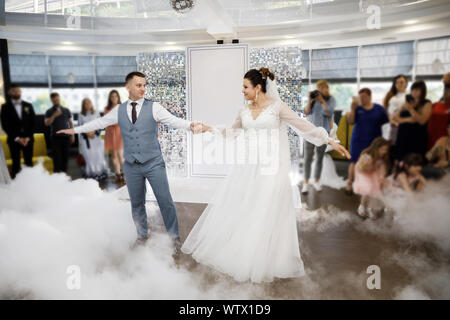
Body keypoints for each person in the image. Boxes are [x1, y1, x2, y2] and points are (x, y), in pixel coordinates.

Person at [181, 68, 350, 283]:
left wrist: (330, 141)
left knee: (268, 209)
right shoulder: (243, 111)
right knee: (250, 208)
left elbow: (303, 126)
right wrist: (207, 128)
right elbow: (231, 133)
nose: (242, 91)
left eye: (245, 87)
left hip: (274, 169)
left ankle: (267, 257)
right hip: (249, 168)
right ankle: (248, 253)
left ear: (258, 87)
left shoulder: (277, 107)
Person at [57, 71, 206, 251]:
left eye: (144, 85)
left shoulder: (154, 107)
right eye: (138, 85)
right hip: (131, 166)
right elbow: (99, 123)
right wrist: (75, 131)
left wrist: (190, 125)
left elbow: (173, 121)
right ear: (128, 87)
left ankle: (174, 236)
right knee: (136, 203)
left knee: (165, 200)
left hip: (153, 163)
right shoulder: (119, 110)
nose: (143, 88)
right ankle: (142, 234)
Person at [345, 88, 389, 195]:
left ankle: (374, 184)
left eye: (364, 97)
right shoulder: (357, 108)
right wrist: (352, 109)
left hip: (374, 141)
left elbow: (387, 124)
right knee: (355, 161)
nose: (362, 99)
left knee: (375, 161)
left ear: (370, 96)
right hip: (358, 140)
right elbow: (350, 122)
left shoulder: (379, 109)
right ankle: (350, 183)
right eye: (360, 97)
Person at [302, 79, 336, 193]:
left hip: (323, 134)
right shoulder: (313, 100)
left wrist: (322, 101)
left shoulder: (331, 100)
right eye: (319, 88)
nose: (321, 90)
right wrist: (309, 100)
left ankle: (316, 181)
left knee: (319, 158)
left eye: (324, 87)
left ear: (327, 88)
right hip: (310, 132)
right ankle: (306, 183)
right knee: (307, 158)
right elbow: (306, 112)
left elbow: (329, 112)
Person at [0, 84, 36, 178]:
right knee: (16, 163)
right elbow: (5, 125)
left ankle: (31, 184)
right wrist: (17, 138)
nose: (17, 92)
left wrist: (28, 137)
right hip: (14, 140)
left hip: (28, 139)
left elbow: (33, 122)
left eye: (18, 90)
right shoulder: (5, 107)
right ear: (9, 92)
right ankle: (17, 187)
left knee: (29, 162)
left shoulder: (28, 105)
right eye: (14, 90)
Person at [394, 80, 432, 162]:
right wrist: (408, 119)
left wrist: (410, 109)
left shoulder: (426, 103)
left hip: (417, 138)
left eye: (417, 90)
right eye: (412, 89)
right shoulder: (407, 102)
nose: (414, 92)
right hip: (403, 137)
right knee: (401, 162)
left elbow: (422, 121)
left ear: (422, 91)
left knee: (415, 163)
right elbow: (396, 118)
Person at [353, 137, 390, 219]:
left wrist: (382, 177)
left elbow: (383, 167)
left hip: (374, 172)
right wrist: (365, 165)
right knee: (369, 186)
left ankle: (371, 208)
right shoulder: (367, 155)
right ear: (376, 148)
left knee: (379, 186)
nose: (384, 152)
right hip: (363, 173)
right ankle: (361, 206)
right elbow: (360, 168)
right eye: (382, 149)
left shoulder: (383, 157)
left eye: (386, 150)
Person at [78, 98, 108, 180]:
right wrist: (87, 133)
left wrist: (94, 132)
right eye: (85, 103)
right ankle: (91, 174)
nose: (87, 105)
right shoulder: (81, 115)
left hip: (96, 138)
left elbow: (101, 125)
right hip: (86, 139)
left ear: (91, 104)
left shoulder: (96, 113)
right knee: (89, 157)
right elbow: (79, 128)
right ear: (83, 105)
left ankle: (99, 173)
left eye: (89, 103)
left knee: (98, 156)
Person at [44, 92, 75, 173]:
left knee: (65, 160)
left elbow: (71, 123)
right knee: (57, 160)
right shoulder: (49, 111)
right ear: (51, 101)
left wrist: (72, 135)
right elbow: (47, 123)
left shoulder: (66, 110)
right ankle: (57, 180)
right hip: (55, 139)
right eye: (54, 100)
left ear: (59, 99)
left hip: (66, 138)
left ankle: (64, 179)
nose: (56, 101)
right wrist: (54, 115)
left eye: (57, 100)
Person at [104, 90, 125, 183]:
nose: (114, 98)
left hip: (120, 132)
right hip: (110, 133)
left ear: (118, 97)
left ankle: (125, 175)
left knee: (120, 155)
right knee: (114, 156)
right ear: (110, 98)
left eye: (115, 96)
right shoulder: (106, 109)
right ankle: (118, 175)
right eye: (112, 96)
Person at [382, 75, 407, 144]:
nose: (399, 84)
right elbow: (387, 112)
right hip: (392, 127)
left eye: (401, 82)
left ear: (406, 84)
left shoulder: (409, 97)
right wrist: (391, 120)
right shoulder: (391, 97)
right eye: (397, 82)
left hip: (404, 127)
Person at [427, 84, 450, 151]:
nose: (446, 94)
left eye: (449, 92)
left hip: (445, 139)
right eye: (445, 91)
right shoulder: (434, 105)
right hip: (431, 136)